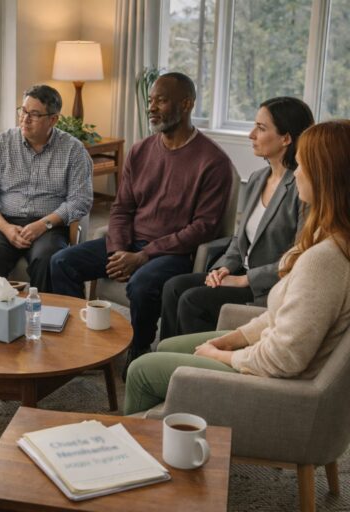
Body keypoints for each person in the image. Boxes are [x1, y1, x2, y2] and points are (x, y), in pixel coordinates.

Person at [124, 120, 350, 415]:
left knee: (141, 370)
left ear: (326, 176)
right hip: (267, 356)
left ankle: (145, 437)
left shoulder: (323, 260)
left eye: (303, 165)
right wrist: (235, 338)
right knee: (166, 347)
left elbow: (284, 358)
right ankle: (170, 422)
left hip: (274, 385)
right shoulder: (324, 238)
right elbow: (281, 317)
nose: (298, 172)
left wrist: (222, 356)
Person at [50, 72, 234, 375]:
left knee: (142, 284)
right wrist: (120, 251)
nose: (152, 107)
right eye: (150, 100)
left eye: (161, 100)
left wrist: (144, 256)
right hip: (130, 243)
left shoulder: (213, 161)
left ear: (186, 104)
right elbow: (122, 207)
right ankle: (81, 343)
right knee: (62, 261)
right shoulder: (140, 150)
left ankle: (139, 347)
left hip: (173, 253)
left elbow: (204, 228)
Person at [161, 97, 314, 339]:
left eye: (261, 128)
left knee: (193, 300)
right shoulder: (257, 178)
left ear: (286, 138)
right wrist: (224, 268)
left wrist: (245, 280)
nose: (251, 135)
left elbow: (300, 256)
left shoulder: (303, 189)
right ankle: (166, 357)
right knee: (173, 287)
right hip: (240, 271)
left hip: (268, 286)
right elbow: (238, 238)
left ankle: (197, 360)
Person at [0, 84, 92, 292]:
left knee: (47, 259)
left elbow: (80, 200)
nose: (25, 119)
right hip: (5, 221)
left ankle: (43, 311)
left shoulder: (73, 150)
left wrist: (43, 224)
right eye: (23, 111)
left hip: (49, 225)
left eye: (34, 114)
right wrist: (5, 228)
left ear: (53, 119)